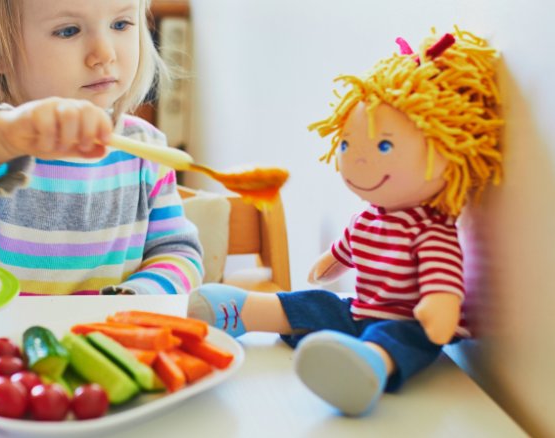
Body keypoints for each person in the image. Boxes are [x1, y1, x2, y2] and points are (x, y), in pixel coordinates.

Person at [188, 28, 502, 416]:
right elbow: (347, 250)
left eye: (384, 146)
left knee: (399, 338)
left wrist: (440, 307)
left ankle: (366, 366)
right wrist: (329, 264)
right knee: (318, 302)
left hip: (405, 321)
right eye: (347, 145)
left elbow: (442, 283)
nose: (356, 161)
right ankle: (242, 311)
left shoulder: (431, 231)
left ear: (448, 149)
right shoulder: (367, 218)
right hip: (357, 310)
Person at [0, 0, 203, 296]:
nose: (104, 53)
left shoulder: (145, 151)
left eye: (120, 24)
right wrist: (3, 139)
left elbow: (178, 252)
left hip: (104, 349)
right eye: (68, 30)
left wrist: (138, 299)